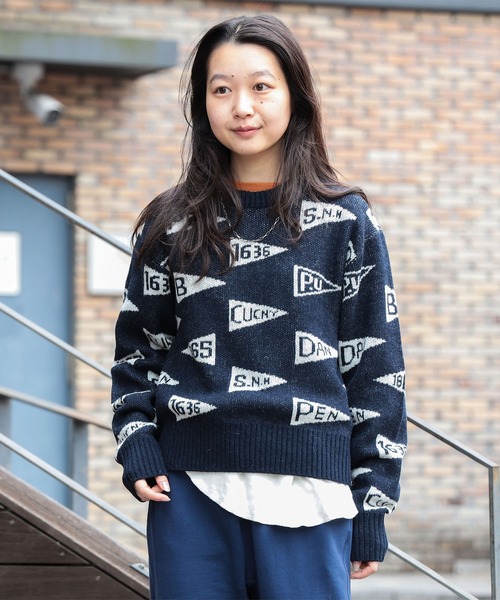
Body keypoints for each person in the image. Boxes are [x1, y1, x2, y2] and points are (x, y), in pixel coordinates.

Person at [111, 14, 407, 600]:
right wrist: (136, 441)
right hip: (188, 491)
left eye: (261, 87)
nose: (241, 107)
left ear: (296, 95)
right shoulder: (170, 221)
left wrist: (373, 502)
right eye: (221, 89)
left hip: (312, 494)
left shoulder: (347, 219)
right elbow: (137, 352)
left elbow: (376, 367)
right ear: (202, 104)